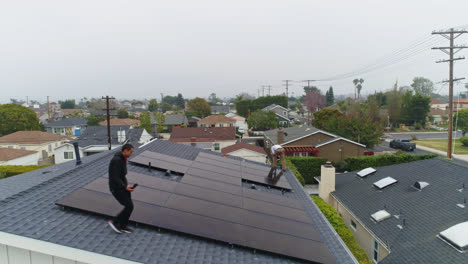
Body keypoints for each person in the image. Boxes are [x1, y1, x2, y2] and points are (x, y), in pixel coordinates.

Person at [107, 144, 135, 234]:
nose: (131, 154)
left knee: (129, 206)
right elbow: (114, 177)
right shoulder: (116, 160)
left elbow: (121, 175)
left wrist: (126, 186)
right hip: (116, 188)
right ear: (125, 150)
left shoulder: (122, 159)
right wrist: (124, 187)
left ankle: (122, 225)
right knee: (129, 206)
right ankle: (116, 222)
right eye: (130, 152)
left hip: (123, 187)